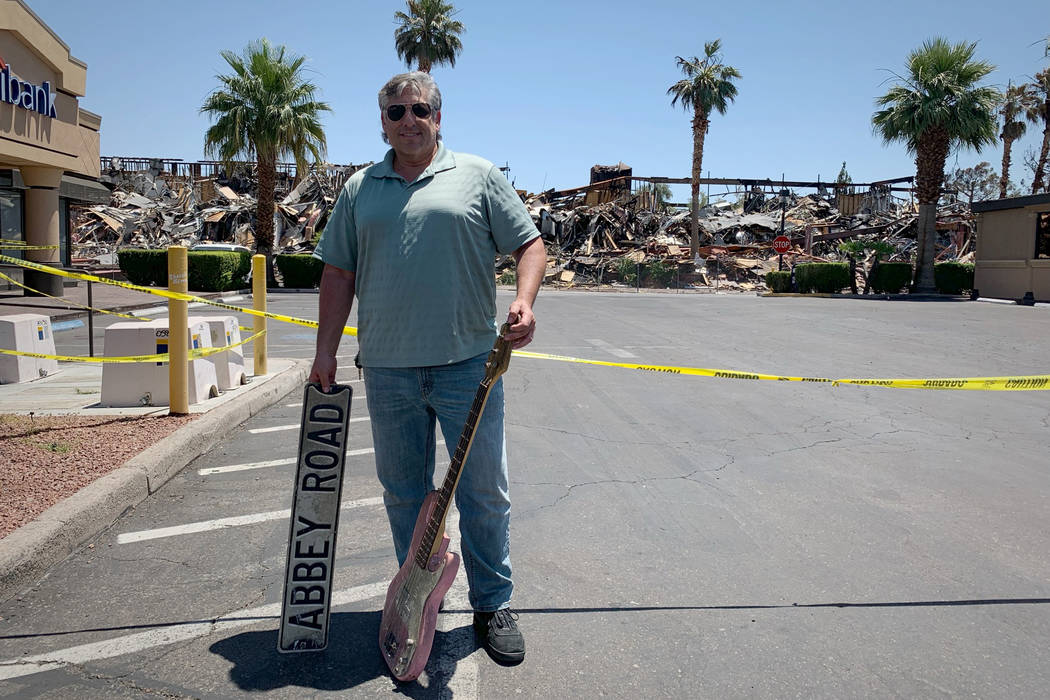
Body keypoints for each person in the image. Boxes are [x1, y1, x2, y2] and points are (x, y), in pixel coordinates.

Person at [309, 71, 545, 666]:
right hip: (388, 370)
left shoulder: (478, 176)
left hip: (470, 366)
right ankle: (415, 599)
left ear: (439, 118)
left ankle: (492, 605)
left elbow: (529, 245)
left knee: (484, 491)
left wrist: (524, 301)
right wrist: (324, 351)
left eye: (420, 109)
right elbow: (338, 273)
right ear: (382, 121)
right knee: (405, 493)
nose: (408, 119)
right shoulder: (361, 190)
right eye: (396, 111)